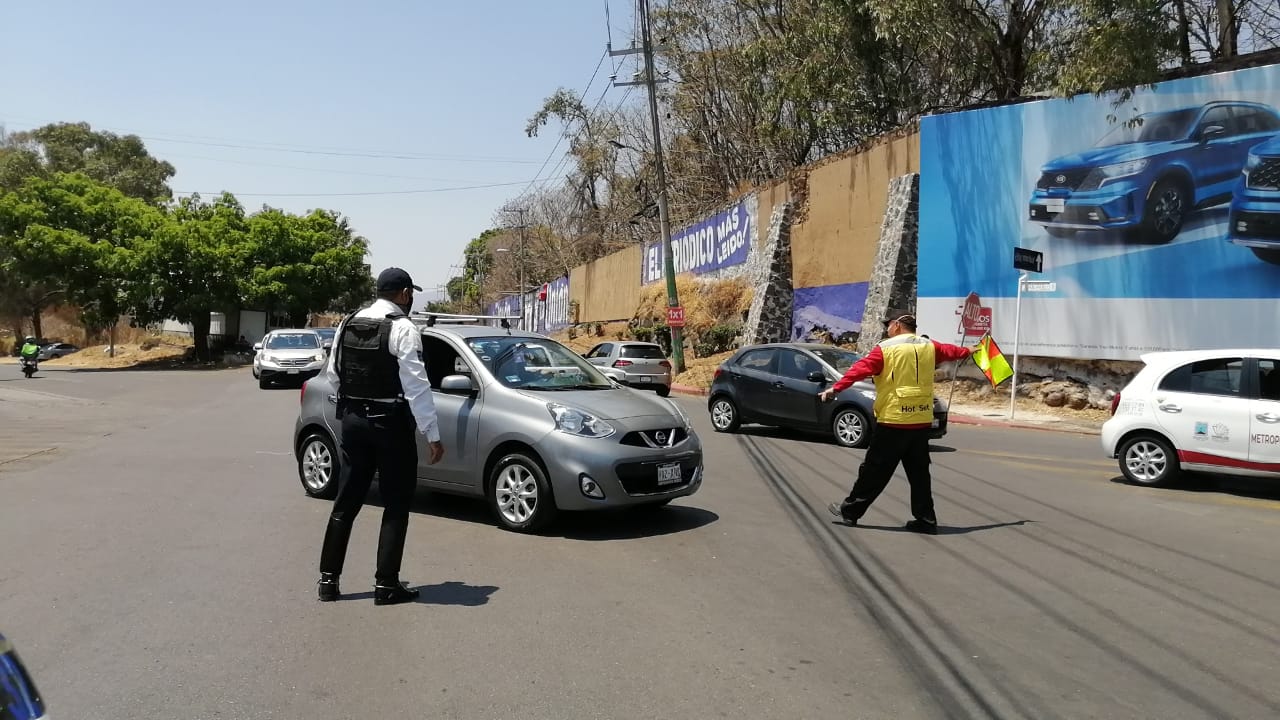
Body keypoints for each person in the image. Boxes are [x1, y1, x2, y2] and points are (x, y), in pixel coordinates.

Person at [317, 267, 445, 605]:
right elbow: (417, 387)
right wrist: (432, 434)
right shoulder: (403, 329)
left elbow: (333, 375)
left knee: (346, 503)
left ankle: (328, 582)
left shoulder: (348, 322)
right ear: (404, 294)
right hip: (390, 424)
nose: (412, 299)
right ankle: (386, 584)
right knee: (396, 503)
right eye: (411, 293)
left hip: (354, 421)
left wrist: (354, 406)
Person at [818, 311, 971, 534]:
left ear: (898, 325)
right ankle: (926, 520)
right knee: (919, 474)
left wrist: (835, 388)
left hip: (894, 419)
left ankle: (850, 512)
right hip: (920, 420)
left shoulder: (886, 348)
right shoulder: (929, 346)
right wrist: (970, 350)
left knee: (874, 470)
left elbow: (860, 370)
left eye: (889, 324)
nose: (887, 328)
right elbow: (952, 351)